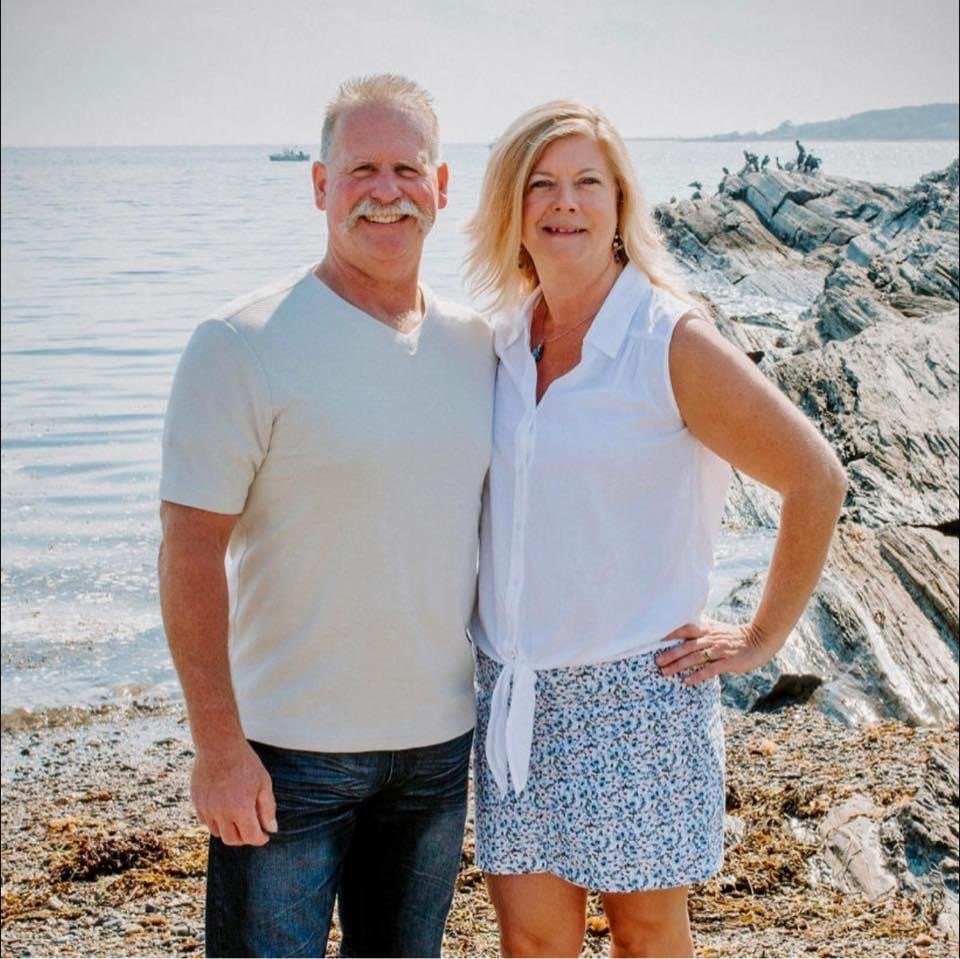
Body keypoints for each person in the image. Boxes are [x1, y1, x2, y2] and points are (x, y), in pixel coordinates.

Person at [464, 101, 846, 957]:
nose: (565, 203)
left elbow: (816, 477)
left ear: (620, 203)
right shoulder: (499, 340)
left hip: (636, 697)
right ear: (513, 208)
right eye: (542, 184)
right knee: (530, 941)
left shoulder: (666, 337)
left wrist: (758, 636)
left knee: (643, 936)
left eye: (587, 183)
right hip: (515, 692)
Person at [158, 74, 495, 958]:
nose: (386, 192)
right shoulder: (242, 343)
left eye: (407, 169)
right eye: (361, 170)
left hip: (434, 750)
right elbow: (191, 548)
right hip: (285, 753)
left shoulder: (478, 344)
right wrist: (217, 749)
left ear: (442, 186)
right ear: (320, 186)